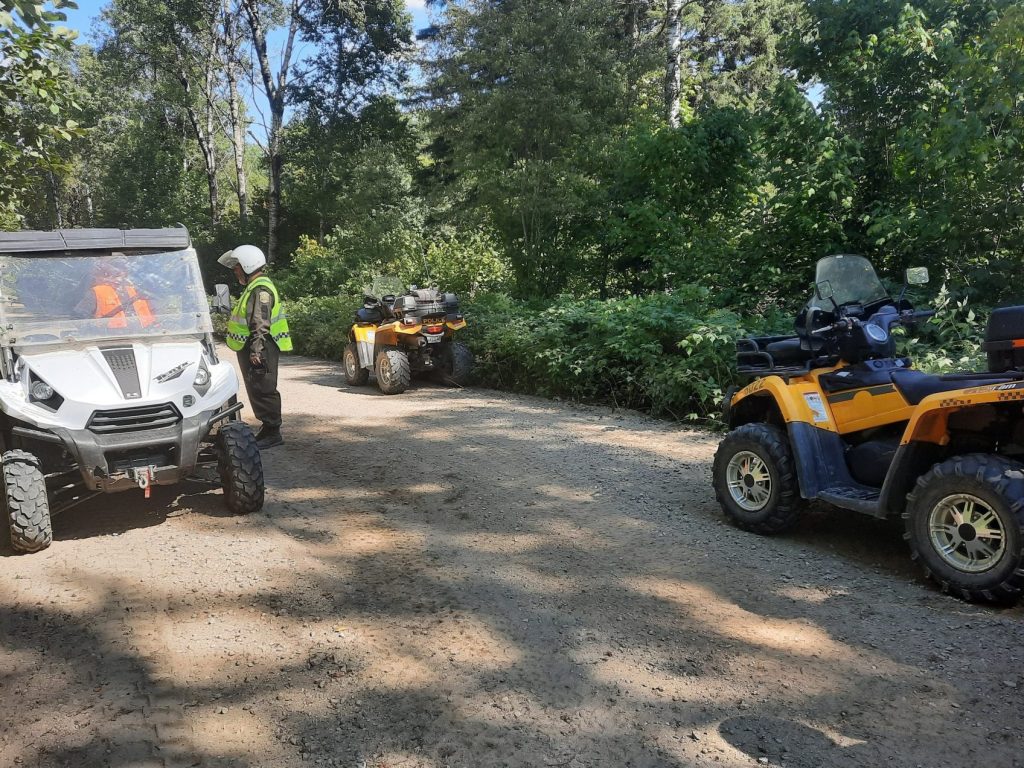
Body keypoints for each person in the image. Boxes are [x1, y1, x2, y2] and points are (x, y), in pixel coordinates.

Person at [218, 245, 292, 449]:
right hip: (254, 345)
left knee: (264, 387)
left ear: (248, 265)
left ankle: (273, 431)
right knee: (257, 387)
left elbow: (260, 320)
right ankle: (267, 428)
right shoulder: (254, 287)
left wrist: (256, 349)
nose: (236, 271)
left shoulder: (261, 289)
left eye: (237, 267)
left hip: (262, 345)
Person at [76, 256, 156, 330]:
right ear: (106, 272)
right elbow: (79, 320)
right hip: (110, 339)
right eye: (116, 267)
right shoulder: (96, 292)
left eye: (123, 268)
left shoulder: (137, 291)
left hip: (146, 337)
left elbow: (156, 316)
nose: (120, 272)